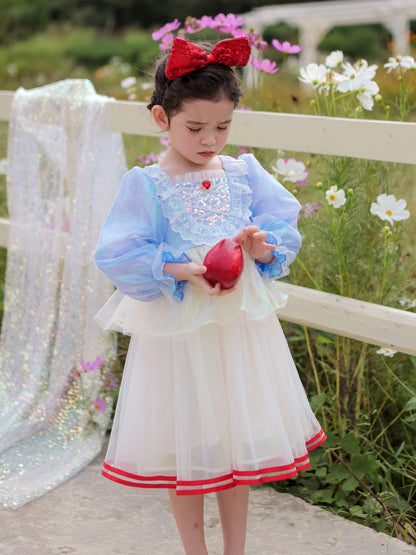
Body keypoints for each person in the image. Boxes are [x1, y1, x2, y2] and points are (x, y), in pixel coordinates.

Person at [94, 36, 326, 555]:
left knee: (234, 438)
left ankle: (235, 550)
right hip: (180, 327)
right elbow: (119, 251)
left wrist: (261, 248)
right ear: (162, 118)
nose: (210, 140)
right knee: (188, 444)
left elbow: (280, 230)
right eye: (195, 127)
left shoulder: (243, 174)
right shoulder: (149, 184)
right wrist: (183, 268)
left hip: (238, 330)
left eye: (222, 126)